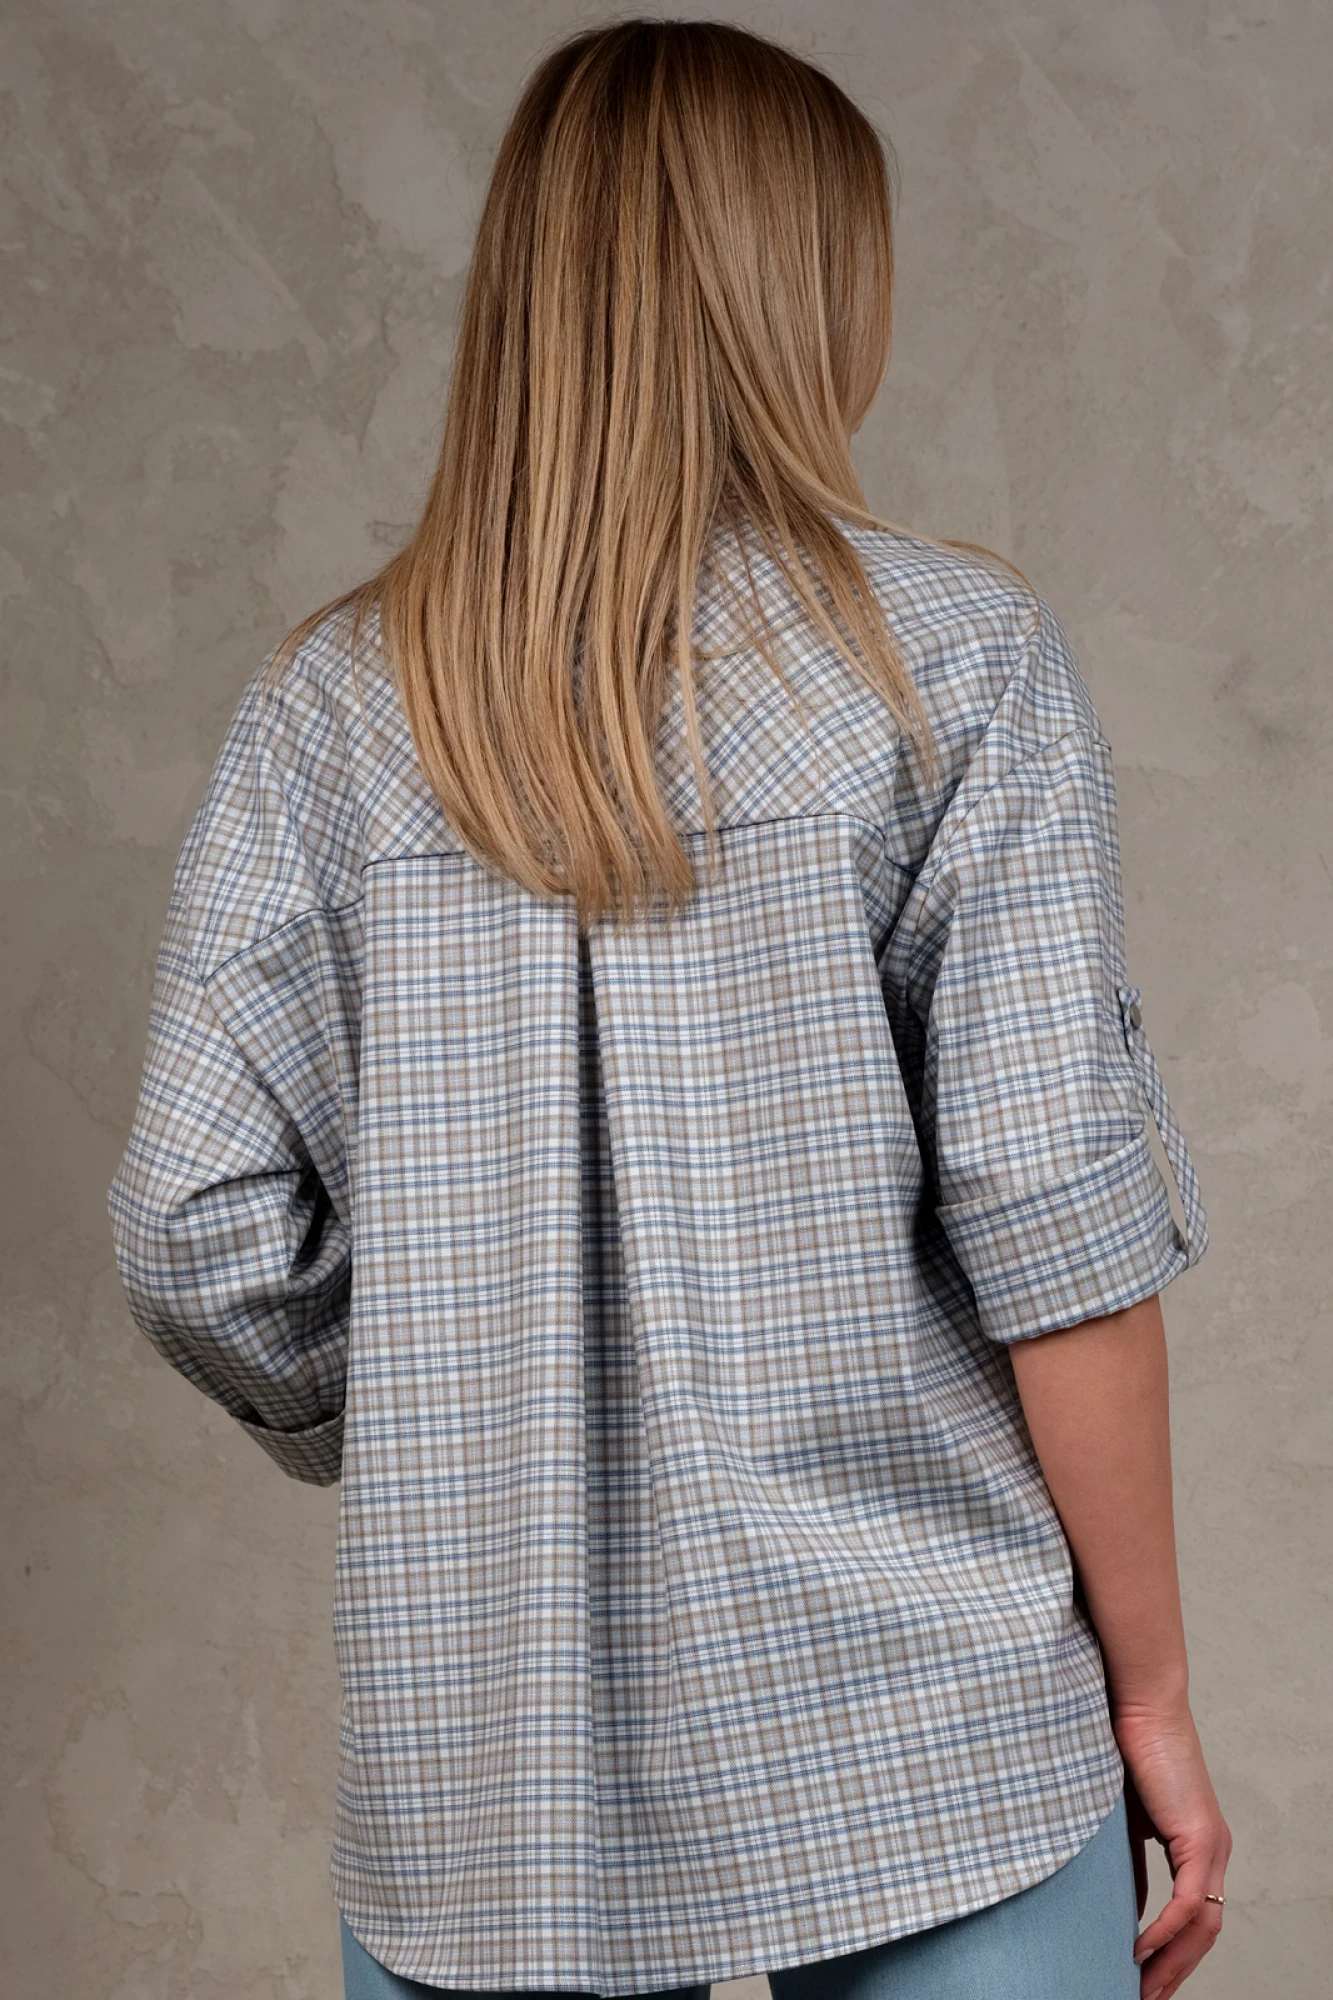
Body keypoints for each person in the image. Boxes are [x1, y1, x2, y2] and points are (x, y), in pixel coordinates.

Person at [105, 17, 1231, 2000]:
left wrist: (445, 1394)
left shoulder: (327, 715)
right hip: (919, 1719)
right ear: (804, 291)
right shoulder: (952, 666)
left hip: (486, 1767)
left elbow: (196, 1228)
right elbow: (1053, 1213)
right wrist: (1151, 1694)